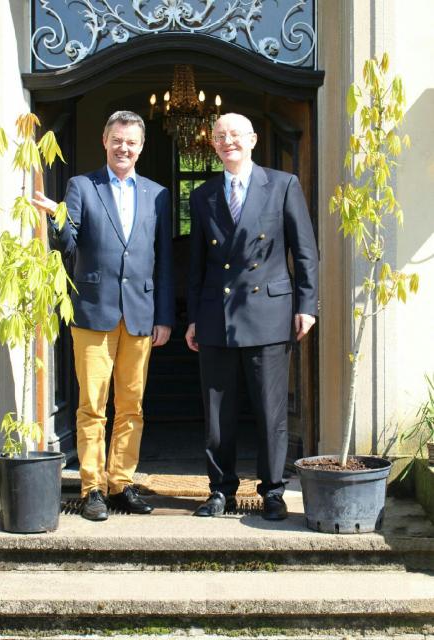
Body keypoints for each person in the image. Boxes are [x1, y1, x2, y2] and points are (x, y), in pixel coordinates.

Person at [33, 110, 174, 521]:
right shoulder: (82, 186)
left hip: (140, 315)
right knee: (92, 405)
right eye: (117, 140)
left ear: (141, 147)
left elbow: (163, 259)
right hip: (94, 311)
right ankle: (92, 487)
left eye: (131, 142)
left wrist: (164, 316)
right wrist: (57, 216)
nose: (123, 148)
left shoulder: (158, 194)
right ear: (105, 141)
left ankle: (121, 484)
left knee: (131, 406)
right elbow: (67, 244)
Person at [185, 113, 318, 520]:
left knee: (270, 412)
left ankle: (273, 492)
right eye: (220, 136)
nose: (228, 142)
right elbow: (196, 264)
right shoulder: (203, 195)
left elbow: (305, 251)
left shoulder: (282, 185)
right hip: (217, 317)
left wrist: (306, 305)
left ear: (253, 139)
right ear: (213, 144)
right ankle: (220, 490)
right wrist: (194, 317)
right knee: (217, 416)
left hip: (269, 315)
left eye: (235, 135)